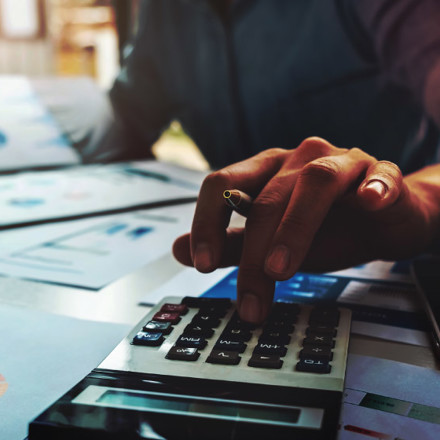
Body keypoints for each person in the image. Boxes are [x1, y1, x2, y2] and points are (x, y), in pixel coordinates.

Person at [102, 0, 440, 323]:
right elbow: (123, 124)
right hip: (254, 267)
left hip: (408, 271)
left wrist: (425, 200)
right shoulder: (164, 10)